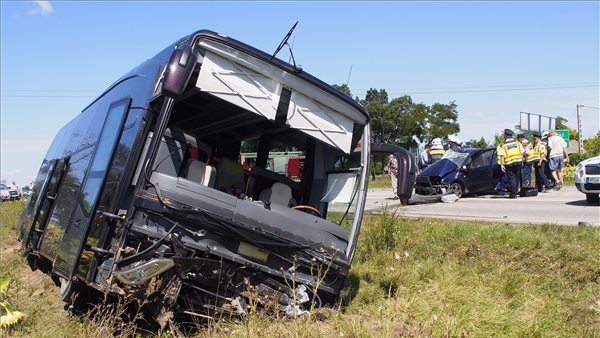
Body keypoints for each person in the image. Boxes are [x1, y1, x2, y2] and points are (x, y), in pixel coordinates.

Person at [498, 129, 524, 199]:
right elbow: (522, 153)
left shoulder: (503, 145)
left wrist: (502, 165)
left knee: (512, 178)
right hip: (518, 162)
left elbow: (501, 155)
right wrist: (521, 161)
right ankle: (515, 191)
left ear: (505, 136)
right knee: (517, 178)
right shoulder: (518, 143)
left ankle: (513, 194)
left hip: (509, 163)